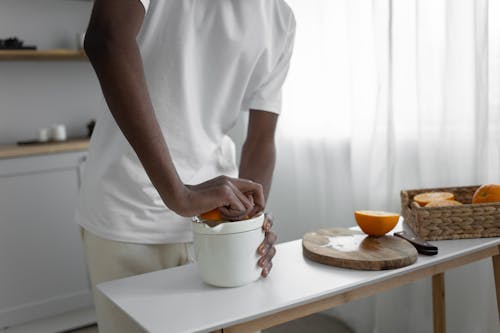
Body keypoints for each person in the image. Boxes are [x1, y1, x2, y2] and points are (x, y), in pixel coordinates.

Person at [75, 0, 295, 332]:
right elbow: (106, 38)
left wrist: (252, 221)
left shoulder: (281, 18)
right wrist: (178, 194)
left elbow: (261, 139)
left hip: (216, 221)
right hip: (130, 214)